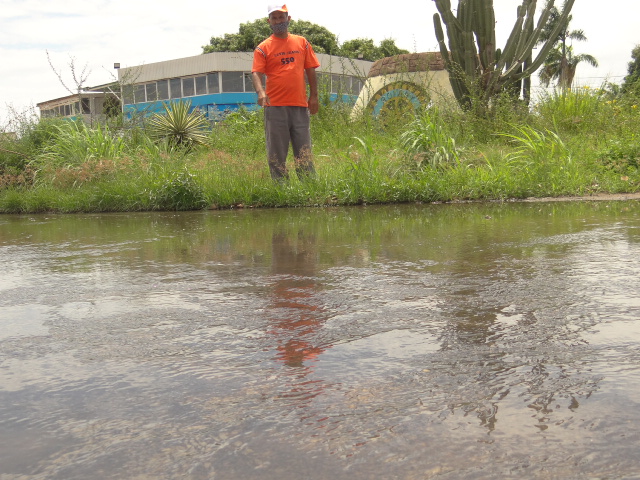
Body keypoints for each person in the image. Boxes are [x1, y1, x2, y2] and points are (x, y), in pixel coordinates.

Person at [251, 4, 320, 180]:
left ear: (288, 19)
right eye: (274, 18)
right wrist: (261, 92)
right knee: (276, 152)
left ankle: (309, 185)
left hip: (299, 105)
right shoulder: (263, 48)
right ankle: (281, 189)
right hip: (275, 107)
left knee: (304, 150)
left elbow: (310, 69)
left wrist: (314, 97)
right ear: (269, 22)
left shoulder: (302, 42)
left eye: (281, 17)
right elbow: (256, 73)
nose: (278, 21)